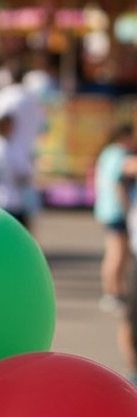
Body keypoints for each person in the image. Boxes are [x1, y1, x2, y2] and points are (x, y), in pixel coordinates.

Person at [93, 123, 134, 311]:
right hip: (116, 211)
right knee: (117, 252)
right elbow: (118, 184)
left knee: (118, 252)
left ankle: (115, 291)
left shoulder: (108, 153)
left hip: (108, 209)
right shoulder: (119, 154)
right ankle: (112, 292)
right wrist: (127, 210)